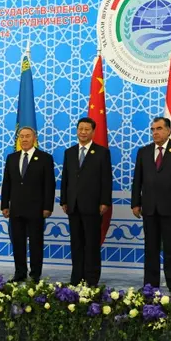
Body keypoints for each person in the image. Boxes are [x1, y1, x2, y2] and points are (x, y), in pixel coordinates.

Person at [131, 116, 171, 294]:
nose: (155, 132)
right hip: (149, 207)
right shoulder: (143, 151)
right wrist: (135, 203)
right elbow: (138, 180)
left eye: (159, 128)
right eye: (152, 129)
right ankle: (150, 285)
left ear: (168, 131)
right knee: (150, 248)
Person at [60, 117, 112, 287]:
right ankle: (76, 277)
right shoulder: (69, 152)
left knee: (91, 244)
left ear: (93, 132)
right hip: (73, 205)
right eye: (80, 129)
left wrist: (105, 201)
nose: (83, 132)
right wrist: (64, 200)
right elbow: (65, 178)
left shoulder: (102, 152)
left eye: (86, 129)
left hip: (93, 205)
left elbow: (106, 179)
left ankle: (91, 278)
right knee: (76, 243)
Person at [1, 127, 55, 283]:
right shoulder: (11, 158)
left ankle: (35, 274)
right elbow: (7, 184)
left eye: (27, 136)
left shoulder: (45, 158)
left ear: (34, 138)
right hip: (16, 208)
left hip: (36, 209)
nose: (24, 139)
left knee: (36, 243)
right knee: (17, 242)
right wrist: (5, 204)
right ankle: (20, 272)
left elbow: (49, 185)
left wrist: (47, 207)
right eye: (21, 136)